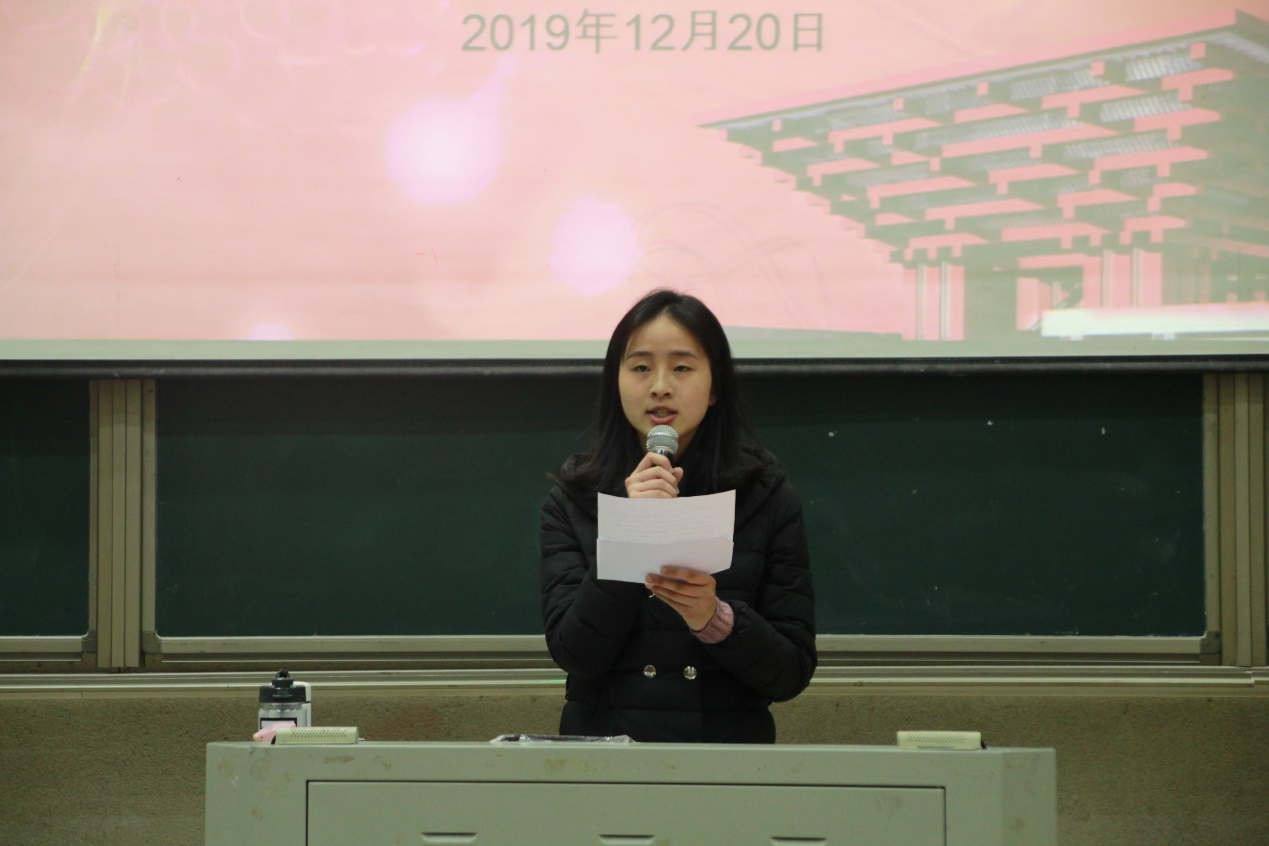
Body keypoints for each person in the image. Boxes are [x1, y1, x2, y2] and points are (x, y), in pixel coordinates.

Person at [539, 288, 816, 743]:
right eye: (641, 367)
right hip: (606, 755)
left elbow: (790, 673)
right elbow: (575, 654)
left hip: (725, 758)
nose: (660, 386)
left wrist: (714, 618)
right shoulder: (574, 499)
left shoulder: (766, 498)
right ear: (616, 383)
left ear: (714, 387)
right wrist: (631, 531)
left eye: (682, 368)